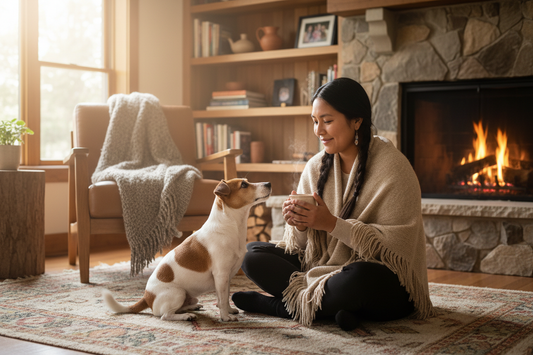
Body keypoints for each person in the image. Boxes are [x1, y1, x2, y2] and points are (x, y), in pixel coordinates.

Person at [232, 77, 435, 330]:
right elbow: (305, 250)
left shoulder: (394, 168)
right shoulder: (316, 166)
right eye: (315, 122)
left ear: (357, 120)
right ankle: (335, 308)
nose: (318, 131)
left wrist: (330, 223)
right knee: (251, 254)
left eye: (327, 121)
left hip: (382, 283)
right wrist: (301, 225)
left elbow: (396, 250)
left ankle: (280, 307)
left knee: (358, 279)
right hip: (325, 269)